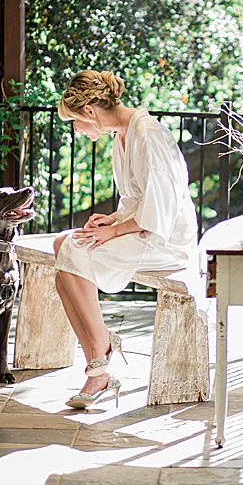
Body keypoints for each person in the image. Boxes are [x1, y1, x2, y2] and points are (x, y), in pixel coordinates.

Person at [52, 69, 198, 409]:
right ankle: (101, 350)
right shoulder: (123, 134)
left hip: (165, 239)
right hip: (140, 227)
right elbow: (135, 199)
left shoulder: (147, 133)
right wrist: (112, 219)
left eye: (74, 120)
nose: (75, 128)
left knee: (73, 250)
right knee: (62, 244)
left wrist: (114, 231)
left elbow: (159, 208)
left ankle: (98, 366)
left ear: (90, 111)